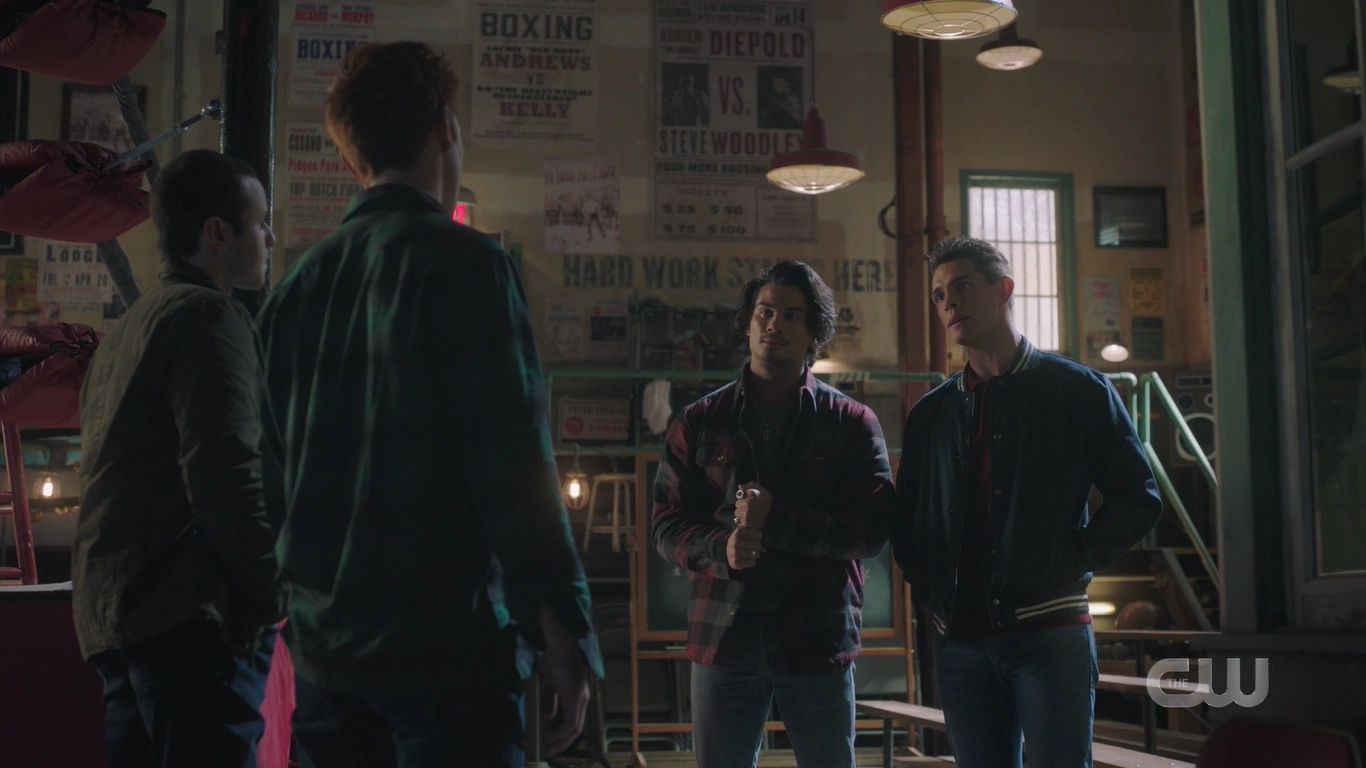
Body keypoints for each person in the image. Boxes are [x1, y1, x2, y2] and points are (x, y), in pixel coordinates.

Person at [256, 41, 602, 768]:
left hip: (326, 660)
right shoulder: (471, 265)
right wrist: (563, 629)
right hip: (449, 661)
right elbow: (513, 464)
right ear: (446, 126)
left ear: (351, 153)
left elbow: (275, 480)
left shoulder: (294, 290)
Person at [891, 236, 1163, 768]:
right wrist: (933, 591)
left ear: (1003, 290)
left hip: (1050, 633)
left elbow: (1138, 498)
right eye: (939, 295)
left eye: (962, 286)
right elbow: (909, 522)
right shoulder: (932, 414)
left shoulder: (1078, 391)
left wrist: (1070, 559)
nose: (949, 303)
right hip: (961, 640)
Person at [74, 148, 282, 768]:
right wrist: (270, 593)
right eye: (260, 222)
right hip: (190, 618)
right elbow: (225, 472)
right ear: (218, 233)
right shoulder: (209, 316)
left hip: (118, 616)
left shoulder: (127, 331)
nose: (270, 238)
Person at [651, 260, 894, 768]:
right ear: (747, 323)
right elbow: (665, 522)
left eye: (791, 315)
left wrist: (777, 522)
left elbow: (872, 529)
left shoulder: (851, 422)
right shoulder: (700, 420)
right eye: (764, 312)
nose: (774, 325)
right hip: (724, 636)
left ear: (813, 332)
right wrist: (721, 548)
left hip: (816, 633)